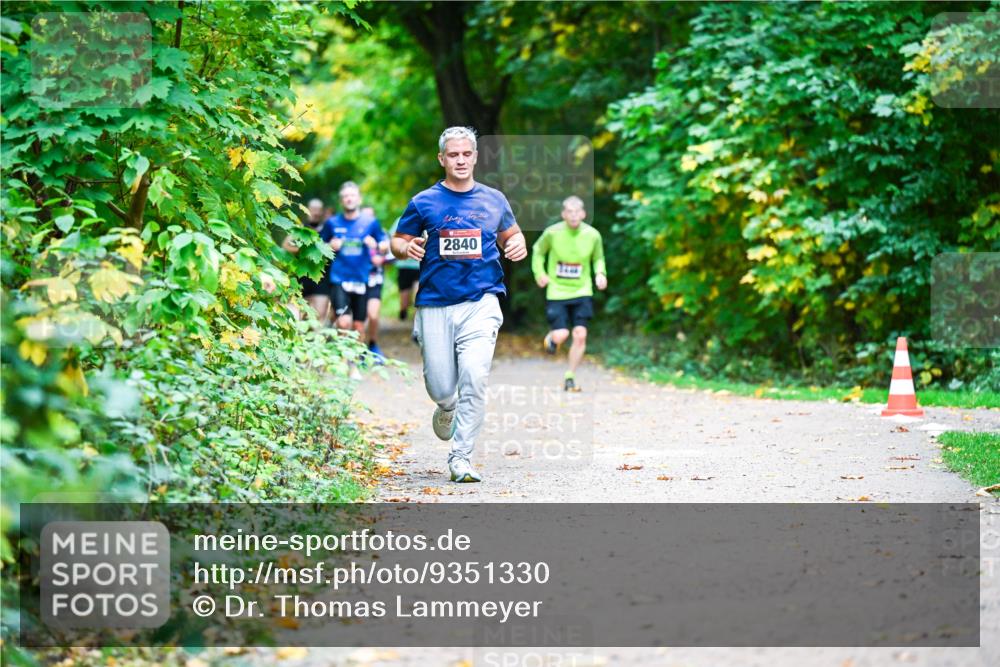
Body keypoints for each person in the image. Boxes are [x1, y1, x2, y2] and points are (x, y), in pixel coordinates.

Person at [391, 126, 528, 483]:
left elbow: (512, 235)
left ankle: (461, 457)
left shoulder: (494, 200)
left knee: (475, 376)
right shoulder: (424, 202)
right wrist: (406, 247)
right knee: (440, 386)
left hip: (482, 300)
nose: (461, 160)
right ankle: (447, 406)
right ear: (442, 159)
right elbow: (398, 241)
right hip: (436, 302)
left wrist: (518, 244)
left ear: (476, 157)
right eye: (453, 154)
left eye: (467, 154)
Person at [531, 195, 607, 392]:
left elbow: (598, 258)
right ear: (563, 214)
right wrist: (540, 273)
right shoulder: (552, 233)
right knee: (562, 334)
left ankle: (570, 376)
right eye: (569, 212)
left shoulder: (593, 235)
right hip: (557, 291)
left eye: (577, 212)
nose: (573, 216)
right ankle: (552, 338)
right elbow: (538, 251)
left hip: (582, 290)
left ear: (583, 214)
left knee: (580, 335)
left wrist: (600, 273)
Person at [328, 183, 388, 345]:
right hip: (339, 278)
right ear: (341, 201)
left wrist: (377, 245)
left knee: (359, 325)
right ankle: (342, 356)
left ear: (359, 199)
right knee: (343, 322)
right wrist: (329, 246)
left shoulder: (370, 222)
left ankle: (356, 358)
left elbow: (384, 245)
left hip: (362, 278)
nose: (349, 199)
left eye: (352, 195)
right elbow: (318, 246)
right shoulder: (332, 223)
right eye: (345, 196)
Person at [282, 198, 333, 322]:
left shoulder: (328, 229)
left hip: (322, 277)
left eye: (319, 210)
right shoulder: (300, 229)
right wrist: (303, 251)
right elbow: (285, 245)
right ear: (307, 210)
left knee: (319, 315)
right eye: (313, 209)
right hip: (302, 277)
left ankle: (318, 334)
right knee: (303, 316)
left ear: (322, 212)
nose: (316, 213)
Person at [361, 206, 387, 361]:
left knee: (373, 315)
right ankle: (359, 350)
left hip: (375, 280)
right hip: (357, 280)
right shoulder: (355, 232)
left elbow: (391, 253)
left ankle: (373, 344)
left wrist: (381, 256)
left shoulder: (381, 233)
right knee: (359, 319)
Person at [390, 217, 421, 321]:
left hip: (419, 266)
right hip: (404, 266)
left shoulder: (426, 216)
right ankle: (403, 311)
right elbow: (393, 238)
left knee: (417, 296)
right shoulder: (402, 219)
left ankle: (416, 324)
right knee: (404, 300)